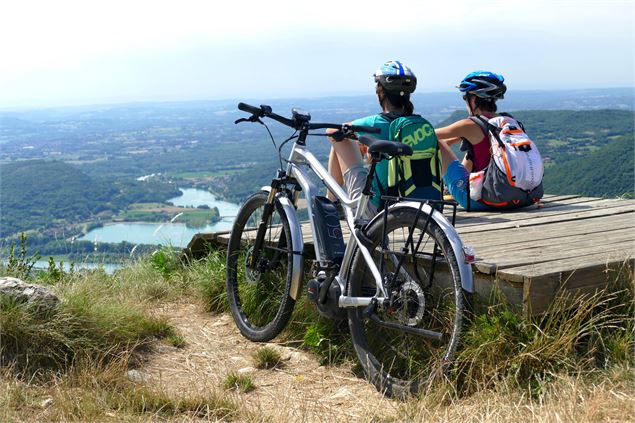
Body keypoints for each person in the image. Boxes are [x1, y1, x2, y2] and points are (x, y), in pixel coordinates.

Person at [326, 60, 440, 217]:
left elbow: (331, 132)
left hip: (377, 207)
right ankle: (333, 203)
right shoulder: (420, 125)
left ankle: (331, 204)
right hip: (416, 203)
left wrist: (356, 139)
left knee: (339, 140)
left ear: (380, 91)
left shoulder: (374, 123)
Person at [435, 71, 507, 211]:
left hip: (481, 201)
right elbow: (454, 141)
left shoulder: (469, 125)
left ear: (473, 98)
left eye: (465, 97)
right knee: (472, 148)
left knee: (436, 143)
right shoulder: (506, 121)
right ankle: (453, 188)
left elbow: (428, 134)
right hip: (513, 195)